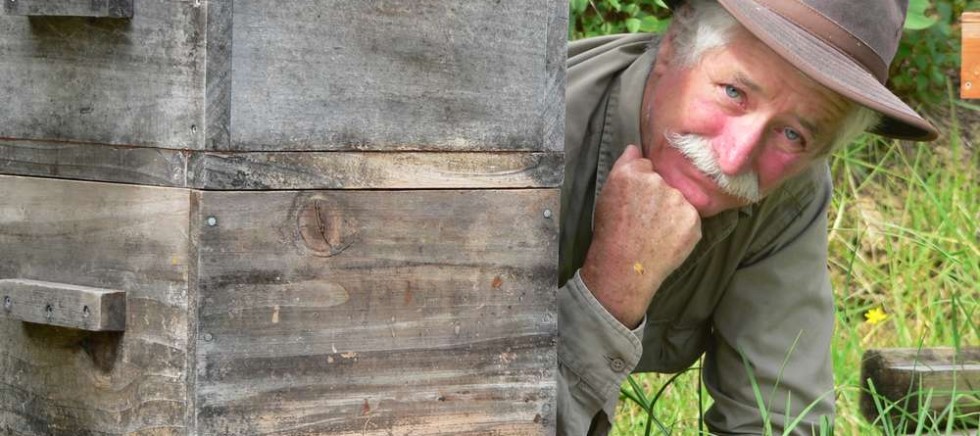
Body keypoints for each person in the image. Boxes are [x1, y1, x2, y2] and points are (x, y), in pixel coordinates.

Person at [557, 0, 939, 434]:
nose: (735, 158)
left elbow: (778, 419)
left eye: (793, 133)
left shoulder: (789, 190)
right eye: (734, 93)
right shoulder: (530, 149)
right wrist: (613, 286)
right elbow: (480, 411)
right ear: (673, 49)